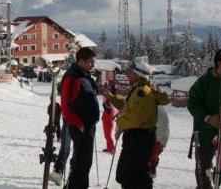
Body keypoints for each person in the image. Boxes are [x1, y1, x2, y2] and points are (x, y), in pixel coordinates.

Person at [100, 62, 170, 189]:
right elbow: (128, 106)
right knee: (136, 174)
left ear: (138, 74)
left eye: (131, 71)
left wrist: (119, 123)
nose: (128, 74)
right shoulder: (139, 89)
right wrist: (112, 98)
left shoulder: (142, 92)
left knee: (129, 175)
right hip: (139, 138)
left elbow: (135, 117)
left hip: (138, 138)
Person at [187, 48, 221, 189]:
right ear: (219, 64)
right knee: (203, 172)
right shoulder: (204, 81)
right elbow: (192, 102)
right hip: (205, 132)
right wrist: (207, 118)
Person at [60, 47, 99, 189]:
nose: (92, 65)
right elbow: (65, 106)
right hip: (80, 126)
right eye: (90, 62)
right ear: (81, 61)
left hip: (87, 125)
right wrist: (78, 123)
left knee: (84, 162)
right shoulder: (72, 77)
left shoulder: (83, 74)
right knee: (82, 162)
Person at [148, 105, 169, 177]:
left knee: (151, 155)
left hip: (158, 138)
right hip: (150, 135)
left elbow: (163, 129)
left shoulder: (157, 110)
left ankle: (150, 172)